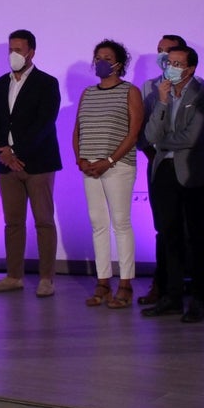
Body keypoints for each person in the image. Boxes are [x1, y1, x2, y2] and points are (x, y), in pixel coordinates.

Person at [0, 29, 63, 298]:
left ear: (32, 52)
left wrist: (16, 151)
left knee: (43, 221)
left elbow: (44, 123)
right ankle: (14, 276)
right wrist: (3, 152)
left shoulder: (47, 83)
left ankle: (46, 279)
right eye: (10, 49)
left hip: (38, 163)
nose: (13, 55)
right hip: (6, 165)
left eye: (19, 49)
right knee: (13, 223)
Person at [141, 45, 204, 322]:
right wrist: (161, 103)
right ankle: (171, 297)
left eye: (177, 63)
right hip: (163, 171)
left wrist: (161, 142)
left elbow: (192, 137)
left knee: (196, 235)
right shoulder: (157, 93)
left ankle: (199, 298)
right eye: (168, 62)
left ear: (191, 68)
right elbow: (149, 134)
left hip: (192, 172)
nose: (170, 67)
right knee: (168, 234)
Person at [74, 39, 143, 310]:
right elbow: (78, 128)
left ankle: (125, 284)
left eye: (107, 57)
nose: (101, 61)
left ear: (119, 63)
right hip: (90, 166)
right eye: (98, 57)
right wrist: (80, 159)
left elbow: (133, 131)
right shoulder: (88, 93)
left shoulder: (130, 91)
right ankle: (102, 281)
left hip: (118, 166)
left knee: (121, 224)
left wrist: (110, 159)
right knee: (98, 224)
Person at [137, 33, 187, 307]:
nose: (163, 56)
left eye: (168, 51)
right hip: (157, 163)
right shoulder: (149, 87)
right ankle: (162, 284)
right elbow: (144, 127)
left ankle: (182, 286)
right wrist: (150, 152)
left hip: (185, 164)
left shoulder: (198, 87)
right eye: (159, 51)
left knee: (187, 227)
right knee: (163, 227)